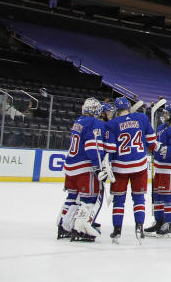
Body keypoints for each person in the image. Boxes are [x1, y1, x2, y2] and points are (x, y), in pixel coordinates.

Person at [103, 96, 158, 242]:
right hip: (139, 165)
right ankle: (139, 226)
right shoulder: (141, 118)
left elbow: (109, 149)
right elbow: (152, 142)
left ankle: (117, 230)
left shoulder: (112, 124)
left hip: (120, 167)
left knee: (119, 200)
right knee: (139, 198)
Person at [59, 97, 107, 242]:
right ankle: (80, 230)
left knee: (72, 198)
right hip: (83, 167)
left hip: (70, 167)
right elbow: (92, 147)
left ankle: (63, 226)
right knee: (89, 198)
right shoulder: (94, 122)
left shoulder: (78, 121)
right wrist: (99, 168)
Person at [145, 104, 171, 236]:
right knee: (157, 196)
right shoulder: (161, 128)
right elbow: (155, 144)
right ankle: (159, 221)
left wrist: (159, 147)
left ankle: (168, 223)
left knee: (168, 196)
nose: (164, 115)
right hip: (159, 167)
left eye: (167, 113)